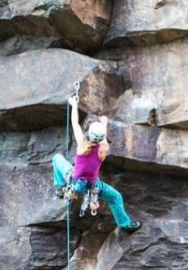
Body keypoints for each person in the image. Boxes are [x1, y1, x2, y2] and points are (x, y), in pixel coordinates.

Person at [52, 95, 141, 233]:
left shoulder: (82, 145)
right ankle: (125, 225)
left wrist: (74, 105)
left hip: (74, 182)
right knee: (115, 198)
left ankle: (60, 187)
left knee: (57, 158)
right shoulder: (103, 149)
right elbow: (103, 139)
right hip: (94, 186)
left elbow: (75, 124)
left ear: (89, 134)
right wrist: (104, 123)